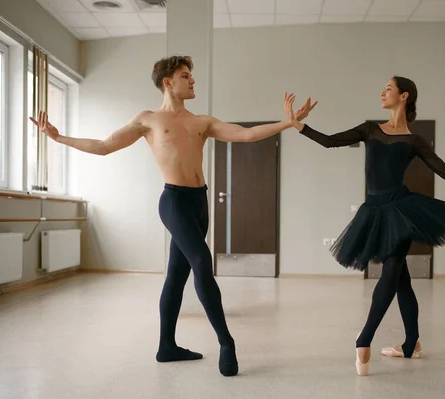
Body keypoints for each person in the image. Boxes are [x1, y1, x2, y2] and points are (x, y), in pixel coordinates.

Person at [30, 54, 316, 377]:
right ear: (168, 83)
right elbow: (103, 145)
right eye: (185, 75)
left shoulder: (201, 122)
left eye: (191, 75)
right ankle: (226, 343)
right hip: (174, 203)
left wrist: (288, 123)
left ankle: (166, 346)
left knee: (176, 276)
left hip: (200, 204)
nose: (192, 79)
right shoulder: (148, 120)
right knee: (202, 262)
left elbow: (246, 135)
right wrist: (57, 138)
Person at [283, 76, 445, 376]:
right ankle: (411, 345)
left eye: (388, 88)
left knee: (391, 273)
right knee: (402, 282)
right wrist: (297, 124)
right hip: (374, 210)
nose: (382, 92)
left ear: (404, 96)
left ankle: (364, 339)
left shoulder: (414, 141)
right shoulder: (369, 128)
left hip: (402, 210)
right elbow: (330, 141)